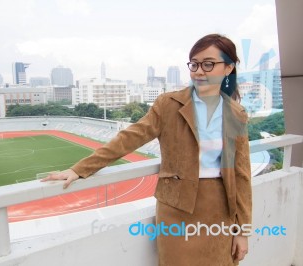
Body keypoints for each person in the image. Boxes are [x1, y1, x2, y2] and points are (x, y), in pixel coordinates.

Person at [42, 33, 252, 266]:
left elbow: (241, 176)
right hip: (176, 209)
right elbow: (129, 138)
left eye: (208, 64)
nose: (198, 71)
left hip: (219, 211)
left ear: (228, 68)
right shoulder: (168, 105)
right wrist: (80, 169)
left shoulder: (236, 114)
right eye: (194, 63)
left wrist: (242, 231)